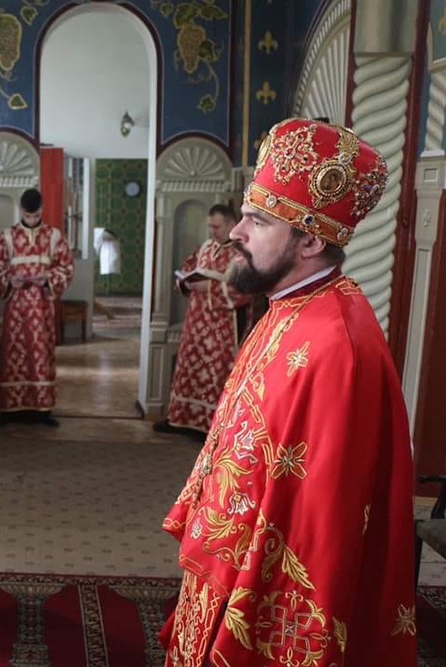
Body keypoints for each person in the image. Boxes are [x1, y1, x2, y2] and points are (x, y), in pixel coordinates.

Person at [161, 118, 415, 665]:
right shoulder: (288, 304)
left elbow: (318, 523)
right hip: (225, 566)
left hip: (260, 594)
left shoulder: (337, 345)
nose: (236, 232)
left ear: (310, 240)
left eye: (257, 221)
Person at [154, 204, 249, 438]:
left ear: (231, 224)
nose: (212, 231)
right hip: (196, 323)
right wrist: (185, 281)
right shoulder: (206, 247)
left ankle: (209, 426)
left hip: (223, 327)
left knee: (216, 372)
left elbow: (245, 291)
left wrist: (210, 287)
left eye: (216, 227)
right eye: (210, 226)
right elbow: (188, 268)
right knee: (188, 369)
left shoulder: (242, 253)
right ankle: (180, 419)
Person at [0, 188, 74, 426]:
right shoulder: (8, 236)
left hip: (42, 307)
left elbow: (67, 267)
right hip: (16, 308)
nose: (32, 220)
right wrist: (9, 280)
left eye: (36, 216)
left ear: (41, 210)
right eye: (28, 215)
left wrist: (47, 278)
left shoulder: (54, 236)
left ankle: (42, 410)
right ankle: (9, 409)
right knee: (13, 354)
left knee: (41, 354)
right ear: (21, 211)